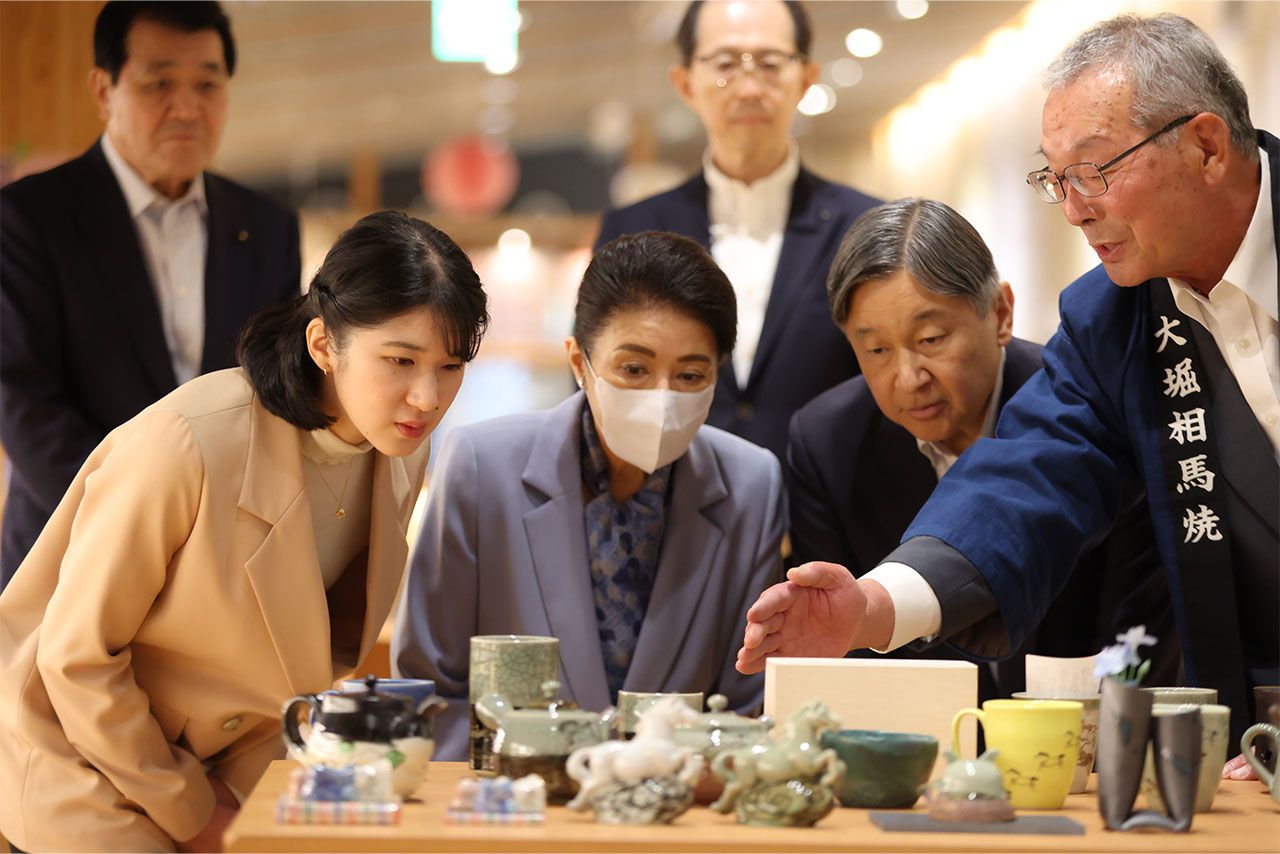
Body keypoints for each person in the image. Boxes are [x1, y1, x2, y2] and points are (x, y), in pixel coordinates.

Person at [737, 13, 1277, 754]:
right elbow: (1025, 482)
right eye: (1058, 179)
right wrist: (869, 606)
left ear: (1207, 147)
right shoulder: (1109, 319)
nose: (1077, 208)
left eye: (1096, 170)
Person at [0, 211, 488, 852]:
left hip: (228, 768)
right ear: (323, 344)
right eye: (400, 359)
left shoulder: (398, 450)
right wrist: (193, 810)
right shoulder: (188, 441)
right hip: (79, 755)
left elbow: (307, 661)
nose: (426, 397)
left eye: (450, 366)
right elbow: (76, 659)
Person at [393, 231, 785, 761]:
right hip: (515, 815)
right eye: (634, 368)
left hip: (674, 820)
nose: (662, 397)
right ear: (579, 363)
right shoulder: (481, 466)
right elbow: (431, 687)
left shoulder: (750, 485)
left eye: (691, 374)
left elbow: (747, 703)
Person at [787, 197, 1178, 700]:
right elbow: (844, 651)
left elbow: (1138, 625)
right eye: (877, 350)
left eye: (930, 339)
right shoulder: (827, 443)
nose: (907, 378)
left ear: (1000, 313)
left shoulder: (1086, 408)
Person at [0, 1, 301, 588]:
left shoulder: (266, 225)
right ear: (103, 89)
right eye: (159, 82)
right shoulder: (29, 218)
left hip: (218, 570)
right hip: (68, 557)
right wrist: (154, 514)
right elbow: (20, 396)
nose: (186, 108)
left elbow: (280, 390)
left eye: (207, 84)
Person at [594, 0, 880, 463]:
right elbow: (597, 383)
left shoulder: (864, 227)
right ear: (685, 83)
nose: (748, 86)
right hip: (672, 506)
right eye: (725, 64)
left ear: (806, 78)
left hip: (824, 513)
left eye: (770, 63)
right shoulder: (630, 229)